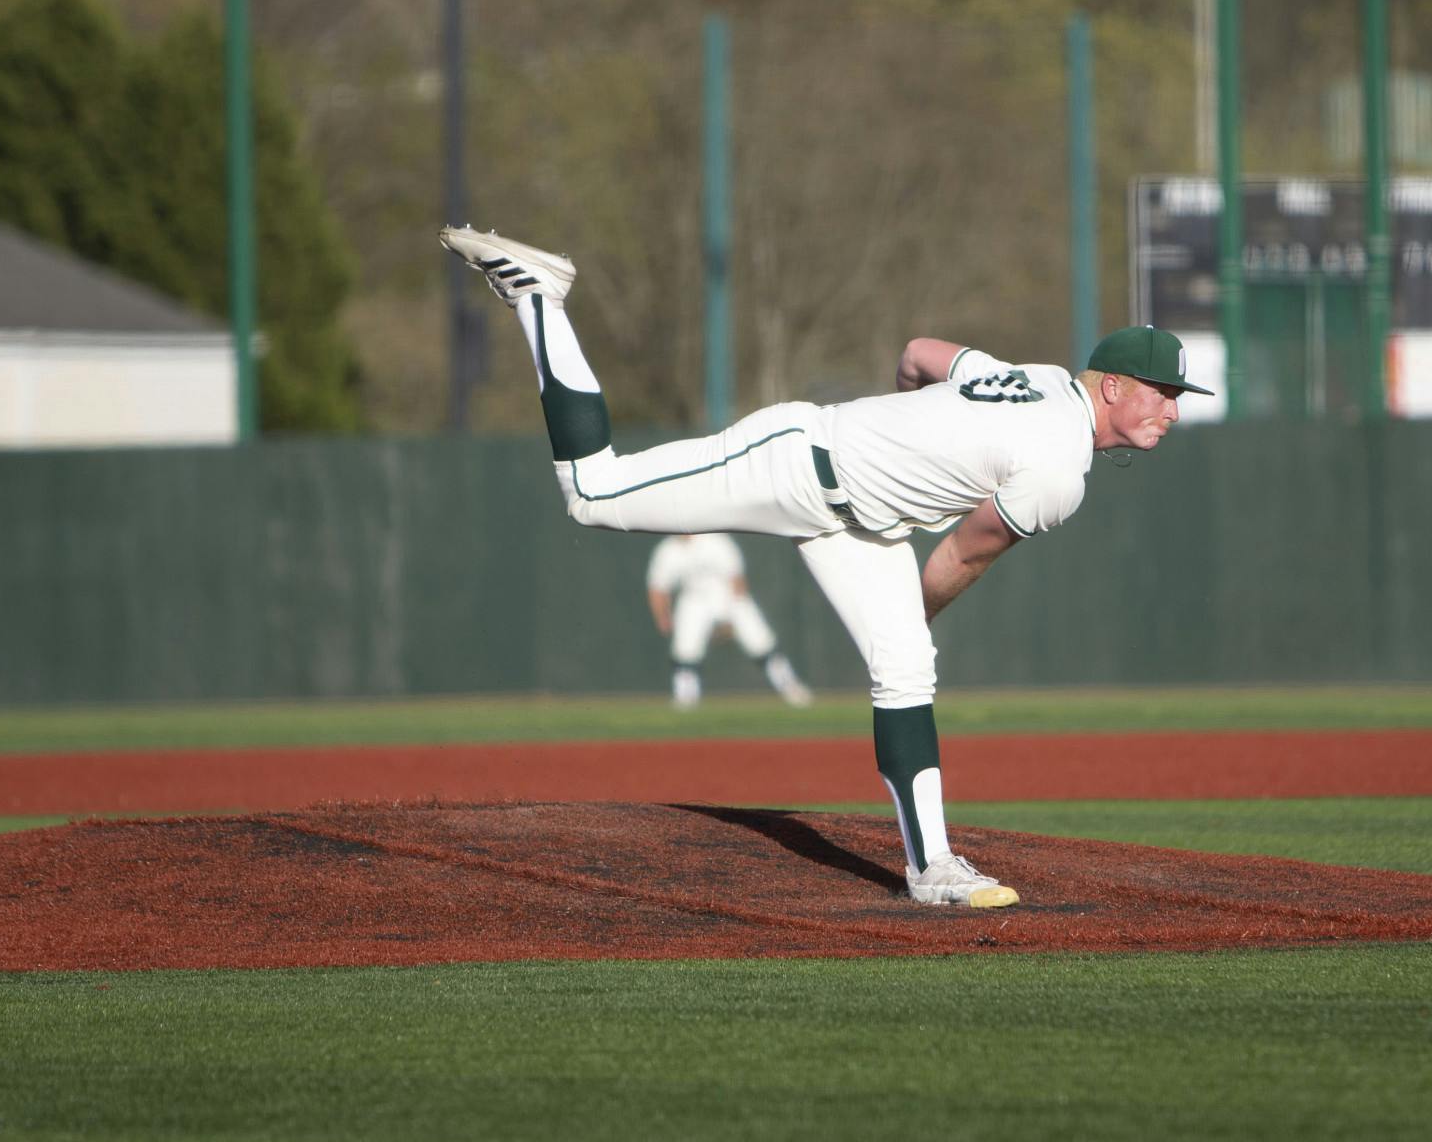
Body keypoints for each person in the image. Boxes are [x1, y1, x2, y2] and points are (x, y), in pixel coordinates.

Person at [440, 225, 1211, 909]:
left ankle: (933, 865)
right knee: (594, 492)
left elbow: (919, 354)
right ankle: (540, 296)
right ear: (1113, 386)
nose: (1171, 409)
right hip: (797, 462)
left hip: (861, 520)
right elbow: (961, 552)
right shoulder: (1059, 471)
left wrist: (906, 414)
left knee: (906, 668)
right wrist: (908, 572)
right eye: (1162, 393)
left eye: (1176, 396)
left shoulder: (1040, 374)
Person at [646, 532, 813, 709]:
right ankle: (685, 699)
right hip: (693, 599)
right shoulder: (668, 550)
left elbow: (737, 580)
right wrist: (663, 617)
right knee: (685, 650)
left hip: (729, 595)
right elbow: (657, 588)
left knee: (761, 643)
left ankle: (792, 689)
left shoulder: (715, 540)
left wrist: (728, 619)